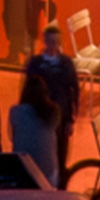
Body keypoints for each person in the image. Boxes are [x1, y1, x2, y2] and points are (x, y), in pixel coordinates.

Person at [25, 24, 81, 179]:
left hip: (61, 115)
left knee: (61, 152)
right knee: (41, 151)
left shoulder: (66, 63)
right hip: (39, 115)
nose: (52, 45)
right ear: (44, 41)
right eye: (50, 41)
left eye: (56, 42)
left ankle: (61, 184)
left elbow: (74, 90)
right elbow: (26, 90)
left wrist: (71, 119)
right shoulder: (35, 63)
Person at [9, 70, 61, 184]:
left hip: (23, 170)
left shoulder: (15, 111)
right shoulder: (53, 111)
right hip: (48, 172)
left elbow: (11, 137)